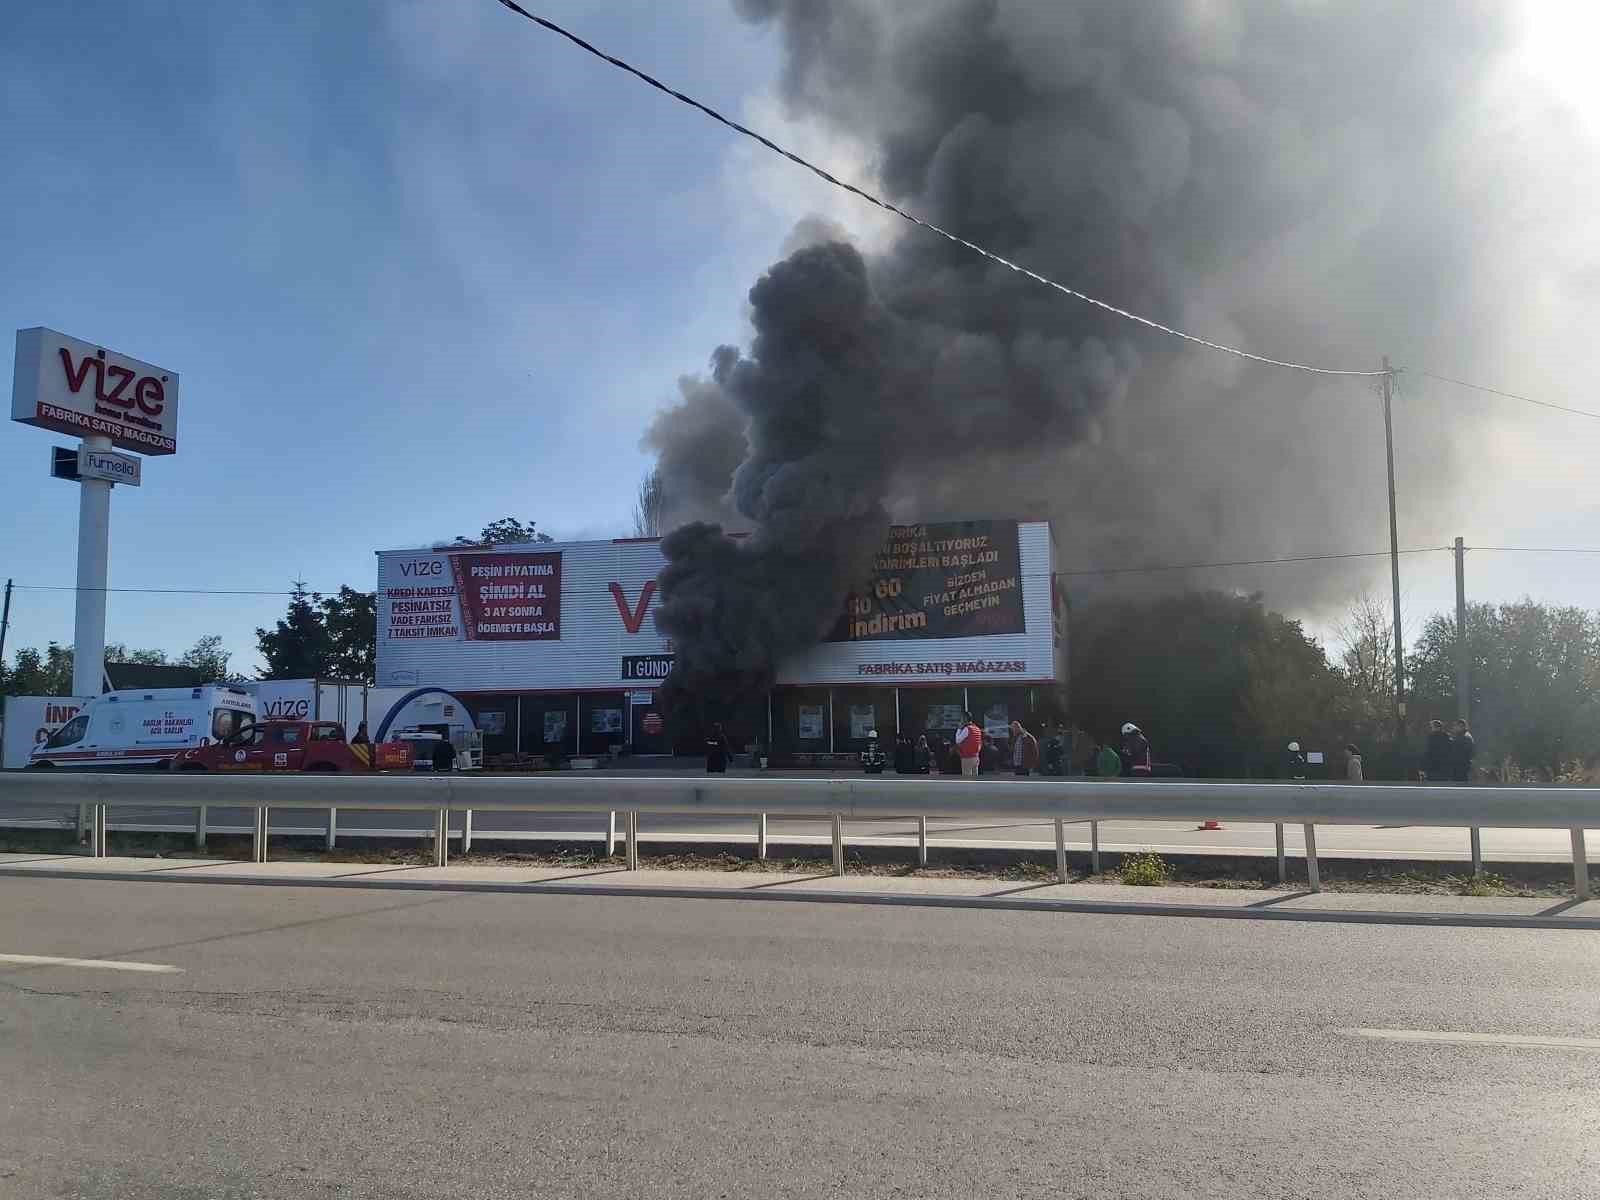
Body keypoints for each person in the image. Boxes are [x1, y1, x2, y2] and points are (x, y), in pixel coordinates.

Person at [955, 713, 984, 778]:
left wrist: (959, 728)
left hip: (967, 757)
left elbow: (957, 740)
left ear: (965, 719)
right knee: (975, 778)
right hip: (976, 757)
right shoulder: (977, 729)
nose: (960, 720)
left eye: (961, 719)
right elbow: (979, 743)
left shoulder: (967, 729)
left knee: (966, 779)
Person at [1450, 719, 1475, 783]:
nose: (1454, 727)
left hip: (1461, 766)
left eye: (1455, 726)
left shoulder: (1465, 737)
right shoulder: (1462, 736)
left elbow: (1461, 752)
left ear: (1461, 726)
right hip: (1461, 766)